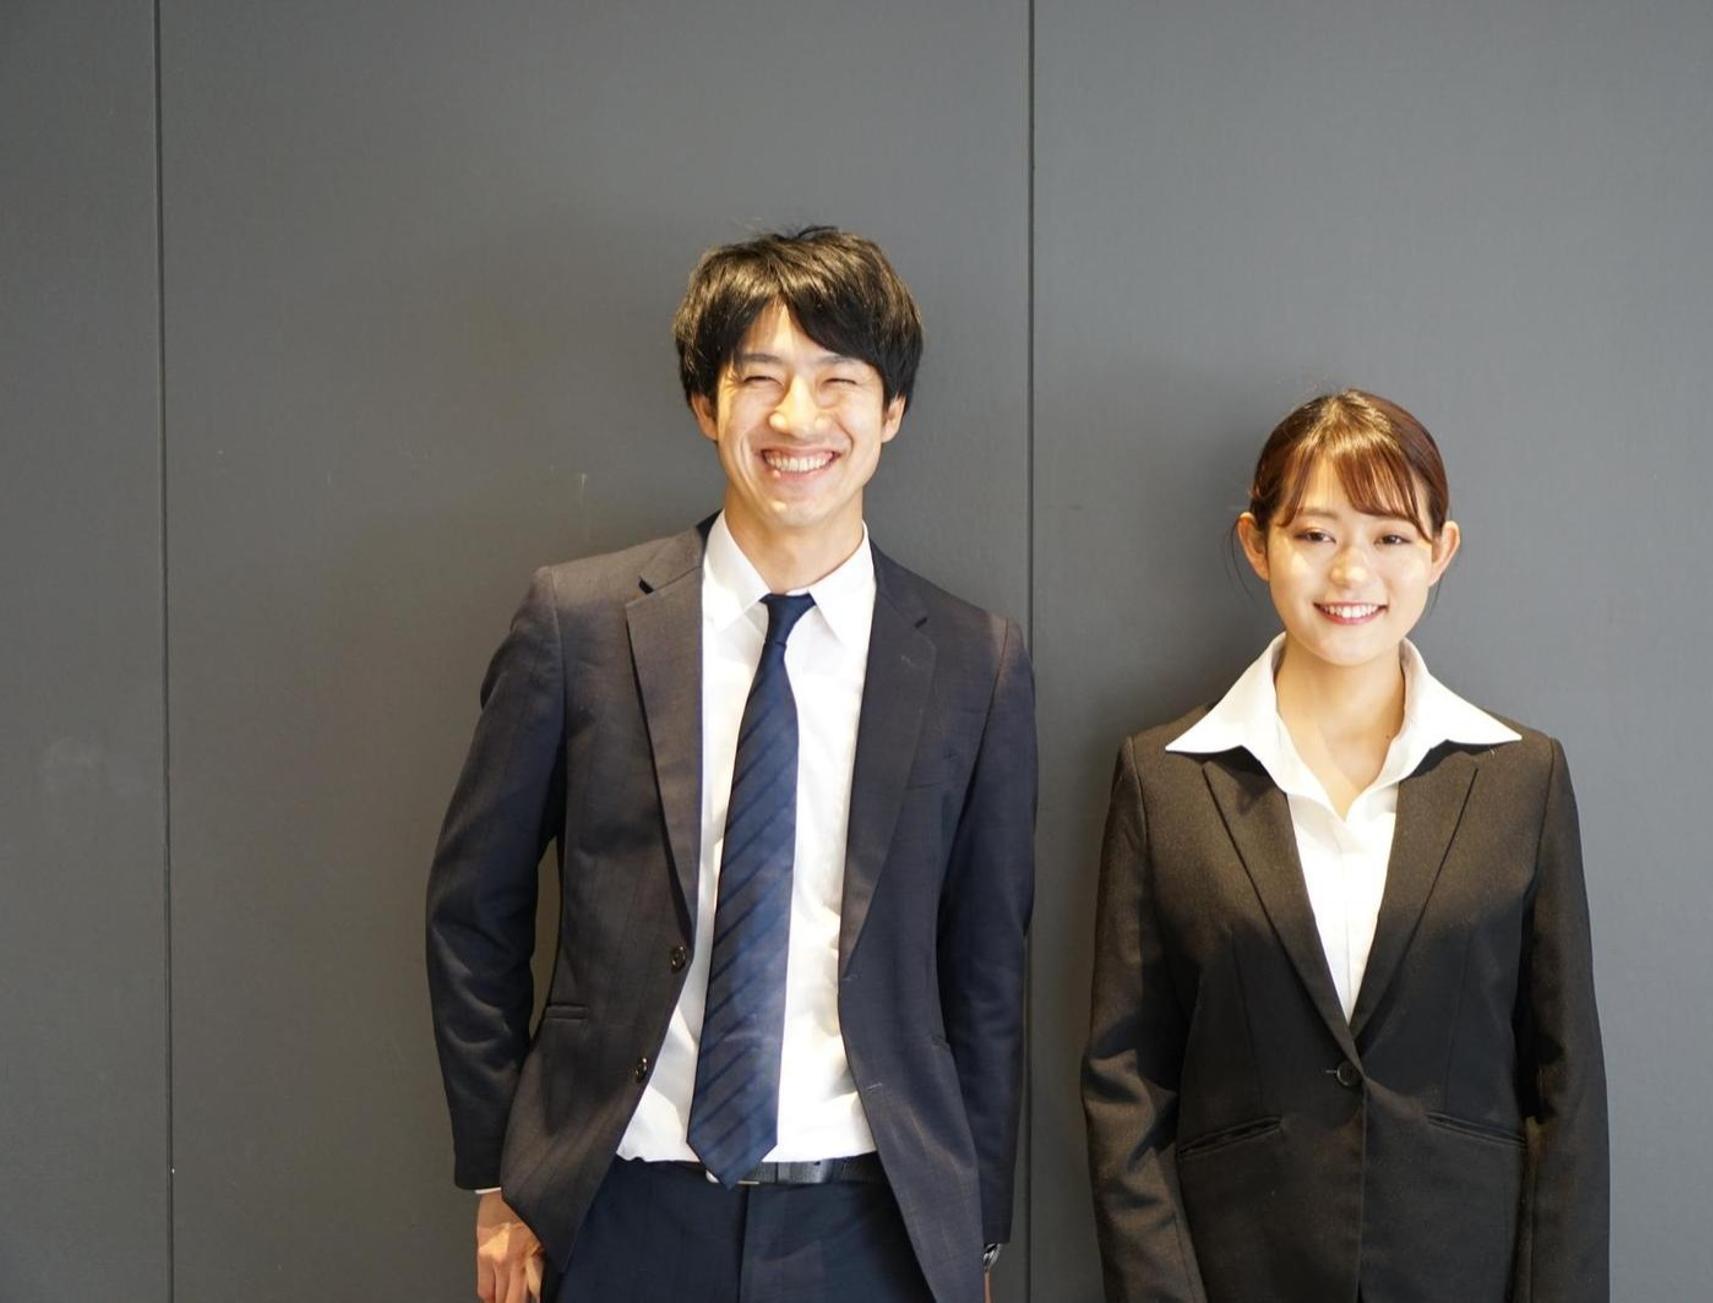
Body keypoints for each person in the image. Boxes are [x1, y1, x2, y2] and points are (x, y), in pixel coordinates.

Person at [427, 227, 1035, 1303]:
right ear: (706, 405)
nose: (797, 419)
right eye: (760, 379)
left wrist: (972, 1237)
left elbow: (986, 969)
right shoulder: (579, 622)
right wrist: (500, 1179)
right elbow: (475, 912)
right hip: (616, 1211)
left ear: (891, 410)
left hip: (871, 1226)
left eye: (838, 380)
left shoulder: (970, 658)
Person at [1081, 390, 1607, 1302]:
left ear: (1441, 551)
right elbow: (1125, 1081)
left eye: (1392, 536)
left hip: (1460, 1273)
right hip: (1237, 1271)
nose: (1352, 571)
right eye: (1316, 534)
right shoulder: (1164, 780)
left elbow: (1566, 1087)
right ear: (1258, 544)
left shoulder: (1521, 777)